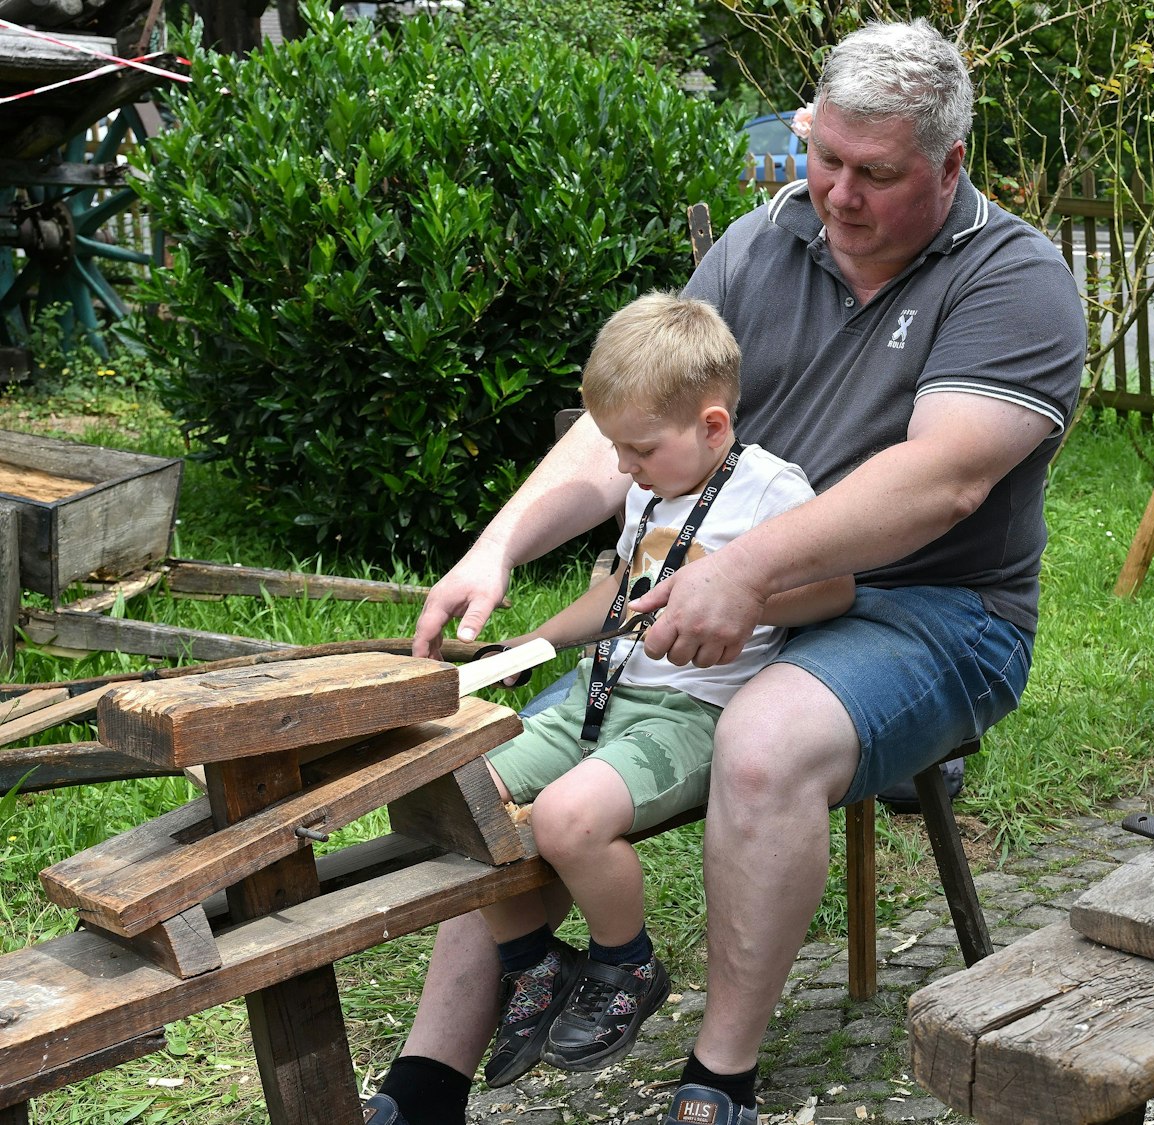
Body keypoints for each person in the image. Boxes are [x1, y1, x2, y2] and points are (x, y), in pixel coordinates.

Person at [370, 20, 1086, 1125]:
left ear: (949, 165)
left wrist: (742, 570)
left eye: (874, 174)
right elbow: (637, 423)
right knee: (492, 768)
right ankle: (421, 1090)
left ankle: (717, 1082)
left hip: (935, 610)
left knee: (763, 743)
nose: (835, 195)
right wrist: (497, 545)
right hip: (714, 588)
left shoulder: (1014, 278)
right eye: (823, 157)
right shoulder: (760, 246)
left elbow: (939, 481)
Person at [464, 293, 853, 1089]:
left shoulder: (773, 492)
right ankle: (534, 962)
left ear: (712, 426)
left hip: (689, 710)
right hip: (597, 694)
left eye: (637, 447)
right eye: (614, 448)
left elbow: (837, 591)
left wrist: (746, 601)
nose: (622, 468)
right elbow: (616, 598)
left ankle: (625, 964)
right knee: (456, 791)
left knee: (569, 819)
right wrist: (526, 645)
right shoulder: (647, 490)